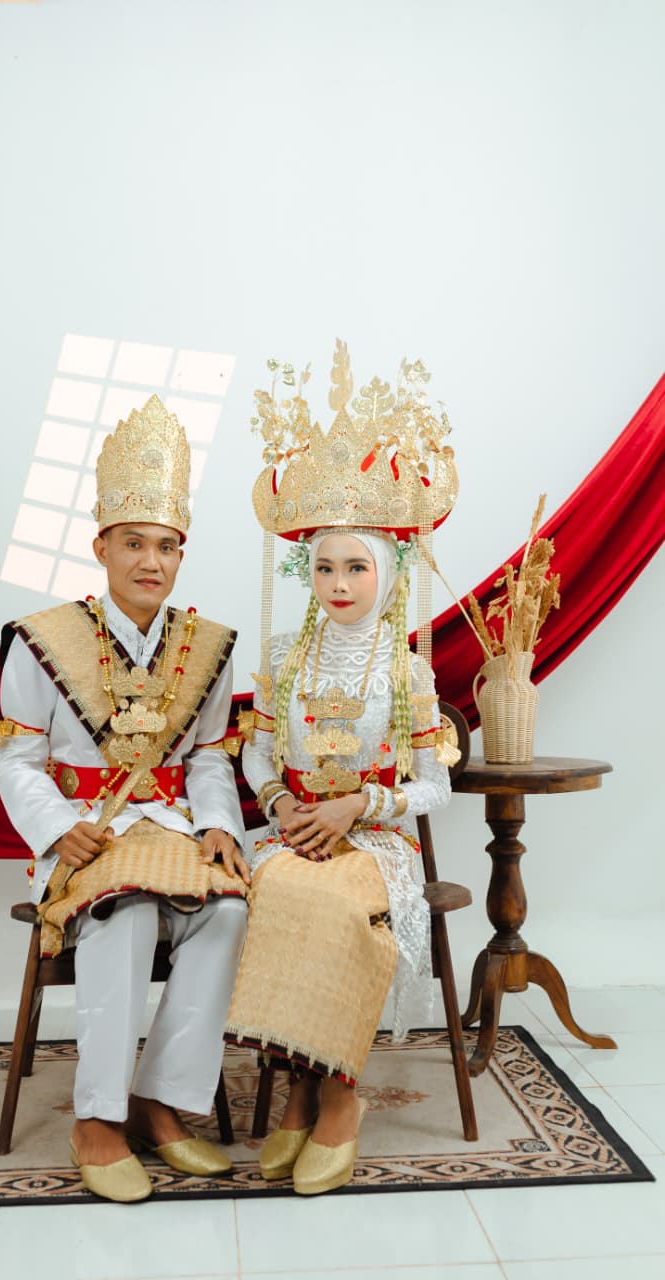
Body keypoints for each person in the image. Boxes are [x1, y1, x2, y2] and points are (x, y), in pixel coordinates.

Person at [0, 395, 250, 1203]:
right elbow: (16, 760)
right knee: (127, 910)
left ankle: (159, 1103)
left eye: (166, 546)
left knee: (228, 912)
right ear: (100, 545)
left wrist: (219, 824)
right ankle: (97, 1120)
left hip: (172, 830)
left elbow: (208, 756)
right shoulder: (42, 639)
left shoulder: (206, 647)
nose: (150, 561)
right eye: (133, 542)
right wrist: (55, 830)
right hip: (87, 836)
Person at [225, 346, 459, 1195]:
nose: (337, 582)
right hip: (293, 831)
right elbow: (256, 750)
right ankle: (299, 1086)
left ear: (385, 572)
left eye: (355, 565)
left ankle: (335, 1097)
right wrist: (280, 801)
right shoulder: (284, 658)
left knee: (330, 900)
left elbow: (435, 785)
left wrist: (360, 804)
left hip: (375, 840)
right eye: (323, 566)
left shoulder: (408, 672)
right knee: (279, 888)